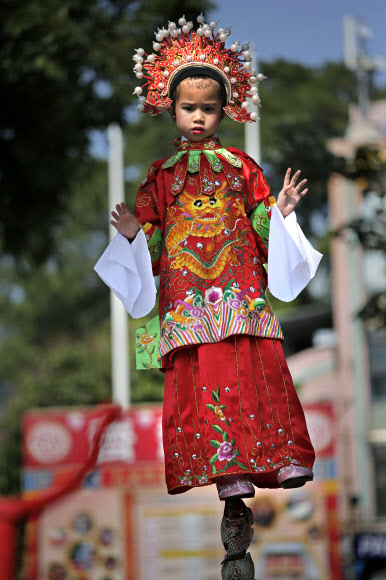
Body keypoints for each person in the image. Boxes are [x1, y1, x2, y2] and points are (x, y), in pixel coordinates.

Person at [95, 14, 322, 580]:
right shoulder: (160, 178)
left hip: (239, 294)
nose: (199, 116)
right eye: (189, 107)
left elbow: (263, 227)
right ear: (171, 109)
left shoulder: (241, 168)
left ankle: (280, 457)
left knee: (253, 374)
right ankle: (228, 473)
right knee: (209, 382)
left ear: (224, 111)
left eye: (209, 108)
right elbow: (148, 237)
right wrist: (129, 237)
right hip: (188, 302)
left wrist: (283, 217)